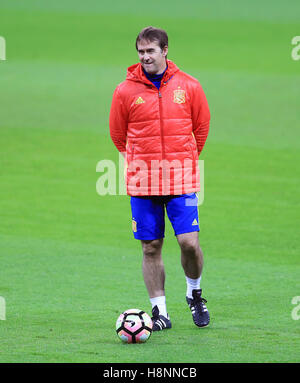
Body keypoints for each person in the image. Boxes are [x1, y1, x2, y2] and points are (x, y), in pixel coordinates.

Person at [109, 26, 210, 331]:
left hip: (181, 180)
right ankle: (159, 312)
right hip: (143, 183)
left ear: (165, 50)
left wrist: (183, 160)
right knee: (150, 247)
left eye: (150, 51)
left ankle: (194, 294)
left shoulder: (189, 86)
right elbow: (117, 134)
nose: (145, 57)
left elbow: (201, 127)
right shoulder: (125, 91)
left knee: (189, 243)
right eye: (141, 52)